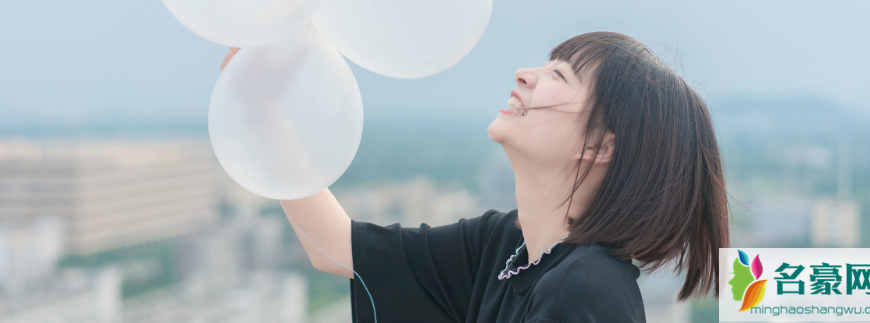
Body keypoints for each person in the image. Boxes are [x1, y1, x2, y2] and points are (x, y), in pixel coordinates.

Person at [220, 31, 730, 323]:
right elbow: (334, 247)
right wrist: (263, 106)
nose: (525, 75)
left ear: (599, 145)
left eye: (559, 75)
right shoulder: (505, 245)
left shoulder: (588, 289)